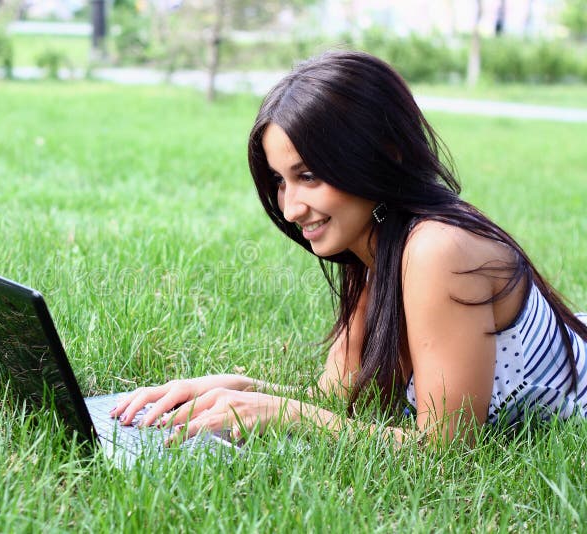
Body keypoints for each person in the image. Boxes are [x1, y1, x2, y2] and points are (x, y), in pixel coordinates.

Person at [110, 50, 587, 445]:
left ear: (383, 155)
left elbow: (447, 450)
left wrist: (286, 415)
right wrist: (232, 390)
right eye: (280, 181)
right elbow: (337, 399)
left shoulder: (439, 249)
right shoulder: (378, 245)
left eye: (309, 176)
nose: (291, 208)